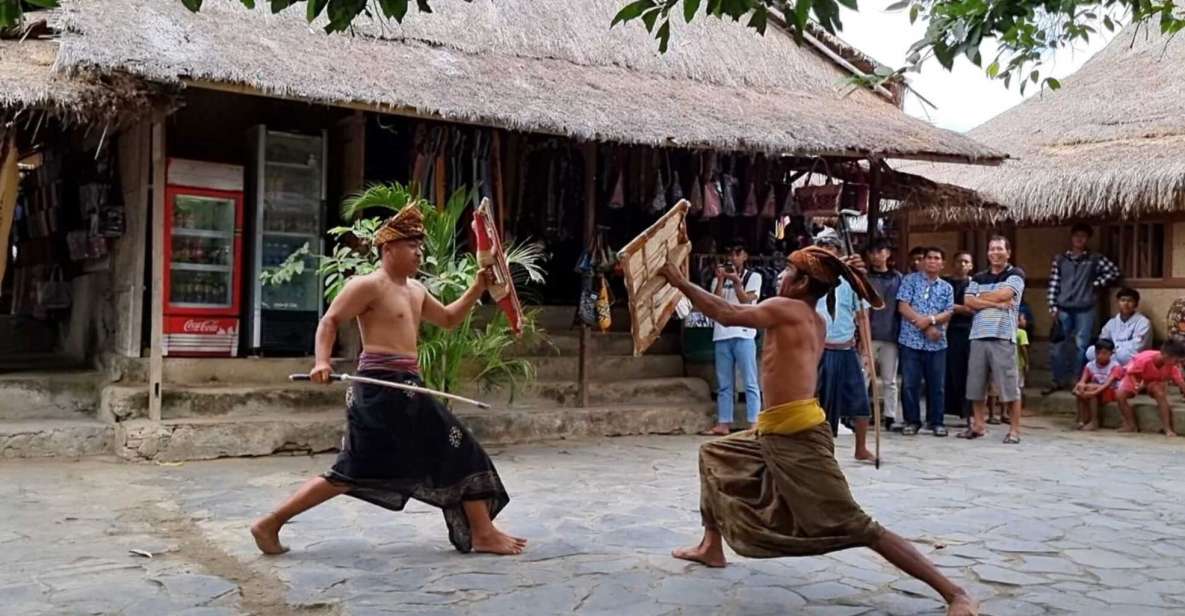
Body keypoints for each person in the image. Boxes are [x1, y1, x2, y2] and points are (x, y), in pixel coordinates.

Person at [658, 246, 978, 616]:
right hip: (776, 430)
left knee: (859, 526)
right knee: (713, 454)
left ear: (803, 282)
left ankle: (954, 593)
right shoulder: (814, 317)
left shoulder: (786, 308)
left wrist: (680, 282)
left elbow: (728, 313)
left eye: (788, 271)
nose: (780, 276)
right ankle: (711, 546)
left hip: (797, 436)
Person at [250, 206, 526, 557]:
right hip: (378, 391)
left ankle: (482, 531)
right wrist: (321, 361)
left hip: (409, 388)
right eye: (412, 246)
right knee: (351, 472)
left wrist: (476, 288)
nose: (419, 253)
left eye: (420, 247)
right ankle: (269, 523)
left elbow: (448, 320)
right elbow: (330, 322)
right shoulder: (367, 286)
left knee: (459, 449)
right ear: (389, 248)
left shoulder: (416, 291)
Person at [813, 234, 875, 462]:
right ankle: (821, 450)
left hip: (846, 348)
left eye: (832, 248)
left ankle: (861, 448)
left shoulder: (851, 281)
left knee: (859, 401)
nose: (828, 252)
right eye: (823, 248)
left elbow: (863, 317)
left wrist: (867, 351)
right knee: (819, 404)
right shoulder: (812, 278)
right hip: (820, 349)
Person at [960, 236, 1026, 444]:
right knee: (976, 384)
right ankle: (978, 426)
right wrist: (996, 303)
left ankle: (1014, 430)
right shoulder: (978, 277)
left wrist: (982, 299)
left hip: (1002, 334)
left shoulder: (1015, 274)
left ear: (1008, 252)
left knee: (1009, 385)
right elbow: (968, 301)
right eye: (991, 249)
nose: (995, 253)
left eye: (999, 249)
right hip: (978, 334)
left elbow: (1007, 294)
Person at [1044, 224, 1122, 395]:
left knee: (1082, 346)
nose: (1079, 239)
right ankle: (1057, 380)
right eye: (1076, 235)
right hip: (1063, 308)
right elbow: (1054, 283)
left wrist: (1095, 284)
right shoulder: (1061, 259)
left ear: (1087, 239)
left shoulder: (1094, 259)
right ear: (1072, 238)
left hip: (1085, 308)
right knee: (1057, 346)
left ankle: (1079, 380)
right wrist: (1052, 305)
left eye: (1083, 236)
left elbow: (1113, 272)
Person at [704, 241, 763, 435]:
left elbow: (746, 299)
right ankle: (724, 422)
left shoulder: (754, 277)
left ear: (745, 256)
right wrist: (721, 280)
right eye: (731, 254)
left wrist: (736, 281)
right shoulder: (718, 278)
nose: (733, 258)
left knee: (750, 381)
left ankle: (754, 421)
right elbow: (715, 303)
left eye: (738, 253)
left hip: (744, 333)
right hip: (722, 334)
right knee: (724, 383)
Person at [896, 246, 954, 436]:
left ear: (942, 264)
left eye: (937, 258)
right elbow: (903, 306)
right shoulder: (910, 280)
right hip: (910, 341)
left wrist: (932, 322)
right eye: (929, 258)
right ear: (923, 261)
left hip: (936, 343)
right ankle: (912, 421)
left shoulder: (947, 287)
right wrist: (921, 323)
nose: (932, 261)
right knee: (910, 384)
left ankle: (936, 421)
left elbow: (949, 312)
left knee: (937, 385)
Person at [866, 239, 903, 430]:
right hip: (868, 333)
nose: (876, 256)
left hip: (891, 333)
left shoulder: (898, 278)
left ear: (888, 253)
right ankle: (861, 413)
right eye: (872, 252)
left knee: (890, 379)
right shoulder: (864, 277)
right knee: (864, 376)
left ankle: (890, 416)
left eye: (880, 251)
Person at [1115, 339, 1185, 436]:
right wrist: (1136, 385)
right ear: (1166, 356)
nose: (1177, 363)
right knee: (1119, 395)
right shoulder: (1143, 359)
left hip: (1154, 381)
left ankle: (1167, 428)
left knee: (1160, 394)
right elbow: (1131, 372)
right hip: (1136, 377)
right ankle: (1130, 424)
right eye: (1176, 360)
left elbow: (1181, 383)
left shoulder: (1173, 367)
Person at [944, 251, 975, 423]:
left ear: (971, 266)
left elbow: (973, 308)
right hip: (948, 330)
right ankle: (949, 408)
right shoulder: (945, 283)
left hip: (968, 331)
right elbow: (940, 305)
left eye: (966, 262)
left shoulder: (974, 284)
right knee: (949, 371)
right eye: (959, 261)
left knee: (967, 372)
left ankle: (967, 411)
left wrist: (952, 307)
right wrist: (960, 307)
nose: (962, 265)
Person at [1086, 288, 1151, 366]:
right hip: (1112, 354)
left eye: (1130, 301)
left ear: (1136, 304)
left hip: (1130, 356)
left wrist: (1115, 349)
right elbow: (1103, 340)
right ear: (1117, 303)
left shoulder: (1143, 322)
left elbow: (1138, 346)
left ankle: (1111, 367)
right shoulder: (1112, 322)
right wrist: (1109, 350)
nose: (1126, 304)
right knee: (1090, 351)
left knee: (1122, 356)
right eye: (1123, 300)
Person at [1073, 338, 1124, 431]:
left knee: (1090, 388)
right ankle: (1081, 419)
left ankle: (1094, 421)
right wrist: (1078, 388)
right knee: (1083, 388)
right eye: (1097, 353)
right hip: (1095, 391)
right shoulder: (1090, 365)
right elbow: (1082, 381)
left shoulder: (1115, 366)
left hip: (1110, 392)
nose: (1100, 356)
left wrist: (1093, 392)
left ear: (1111, 354)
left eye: (1104, 353)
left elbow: (1107, 384)